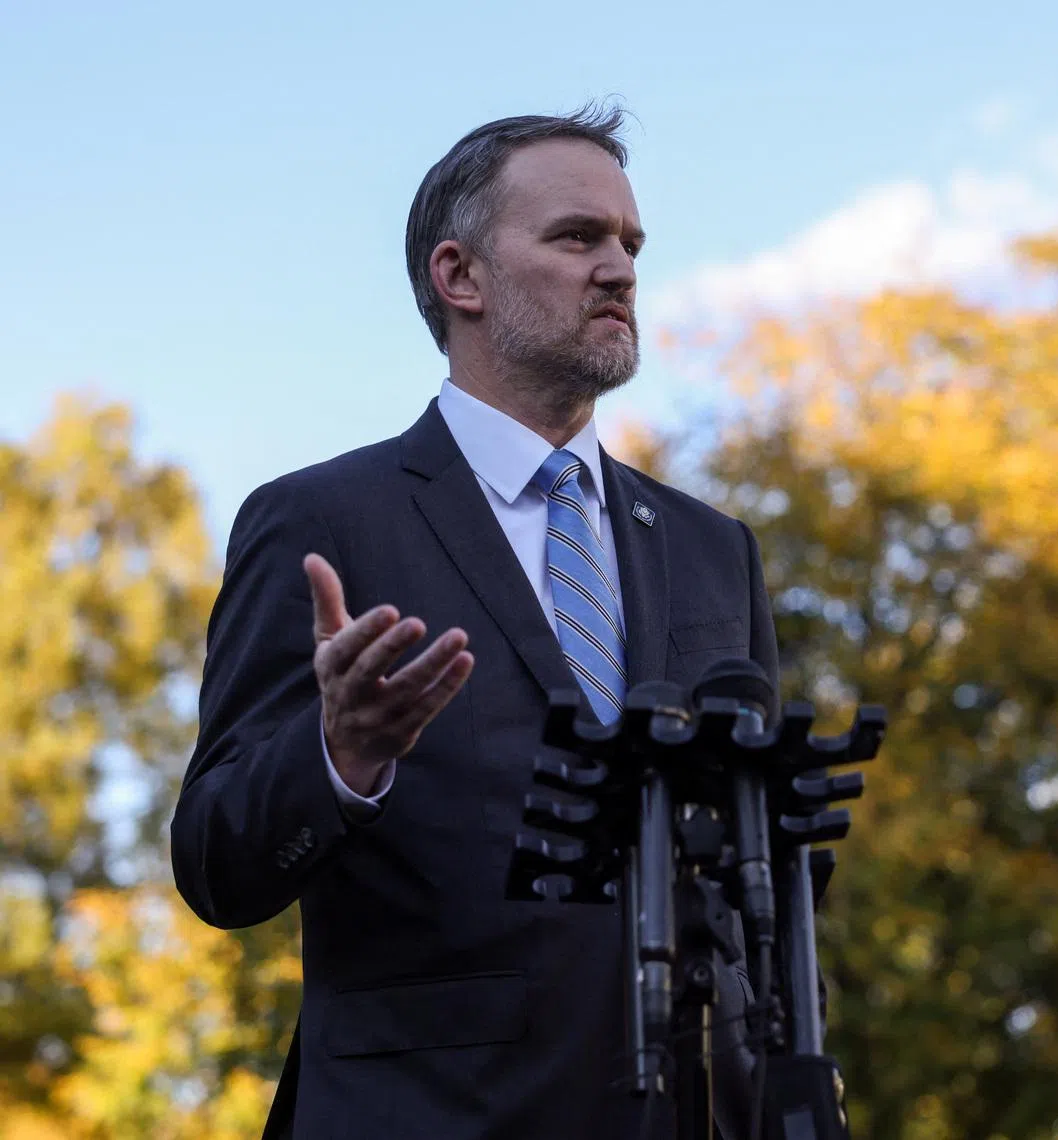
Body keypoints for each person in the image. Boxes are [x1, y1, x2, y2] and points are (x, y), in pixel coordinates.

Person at [171, 104, 778, 1140]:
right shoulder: (323, 520)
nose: (621, 269)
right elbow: (218, 862)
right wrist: (340, 754)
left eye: (631, 243)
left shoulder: (713, 547)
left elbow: (763, 862)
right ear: (462, 277)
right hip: (423, 1111)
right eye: (577, 238)